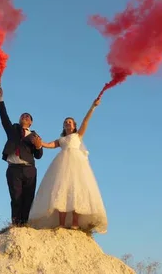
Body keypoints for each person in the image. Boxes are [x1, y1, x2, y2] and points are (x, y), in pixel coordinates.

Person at [28, 98, 108, 233]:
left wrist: (93, 106)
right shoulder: (61, 140)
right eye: (65, 122)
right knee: (61, 191)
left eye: (69, 122)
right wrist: (39, 142)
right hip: (62, 165)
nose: (67, 124)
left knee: (76, 191)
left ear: (74, 125)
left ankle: (75, 223)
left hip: (77, 165)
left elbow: (86, 121)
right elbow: (49, 144)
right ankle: (61, 223)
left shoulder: (78, 135)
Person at [0, 85, 44, 226]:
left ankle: (26, 224)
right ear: (20, 119)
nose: (25, 117)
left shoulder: (35, 136)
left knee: (28, 198)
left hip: (29, 169)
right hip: (14, 169)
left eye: (28, 116)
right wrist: (0, 98)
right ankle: (16, 224)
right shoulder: (13, 130)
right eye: (23, 115)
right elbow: (4, 116)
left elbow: (39, 155)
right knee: (16, 197)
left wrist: (39, 146)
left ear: (31, 122)